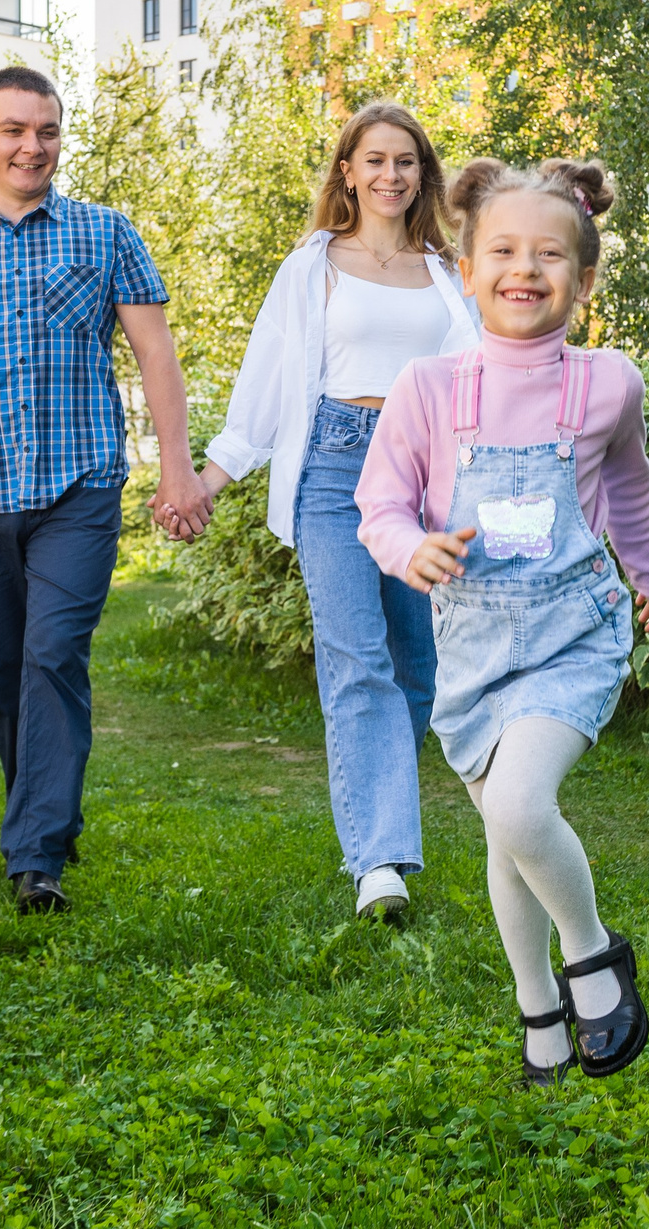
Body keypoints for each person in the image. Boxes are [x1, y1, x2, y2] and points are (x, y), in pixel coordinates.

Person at [359, 157, 649, 1088]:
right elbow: (380, 504)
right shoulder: (428, 387)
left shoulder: (609, 383)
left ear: (584, 277)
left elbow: (630, 491)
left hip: (573, 634)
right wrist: (410, 548)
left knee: (520, 805)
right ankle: (539, 1008)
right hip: (472, 648)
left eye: (549, 253)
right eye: (502, 251)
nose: (524, 268)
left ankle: (592, 955)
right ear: (466, 270)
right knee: (507, 834)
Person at [0, 65, 210, 916]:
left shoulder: (106, 233)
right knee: (5, 677)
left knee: (53, 654)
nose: (33, 146)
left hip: (79, 486)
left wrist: (177, 467)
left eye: (47, 130)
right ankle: (48, 816)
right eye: (14, 130)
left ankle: (36, 856)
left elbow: (156, 355)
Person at [197, 102, 478, 922]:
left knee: (416, 666)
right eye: (375, 160)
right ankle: (380, 864)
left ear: (422, 174)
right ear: (347, 172)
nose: (391, 174)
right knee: (357, 659)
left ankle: (378, 811)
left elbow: (486, 372)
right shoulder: (312, 265)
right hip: (334, 466)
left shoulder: (446, 271)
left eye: (406, 161)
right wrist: (210, 478)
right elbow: (265, 377)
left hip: (422, 476)